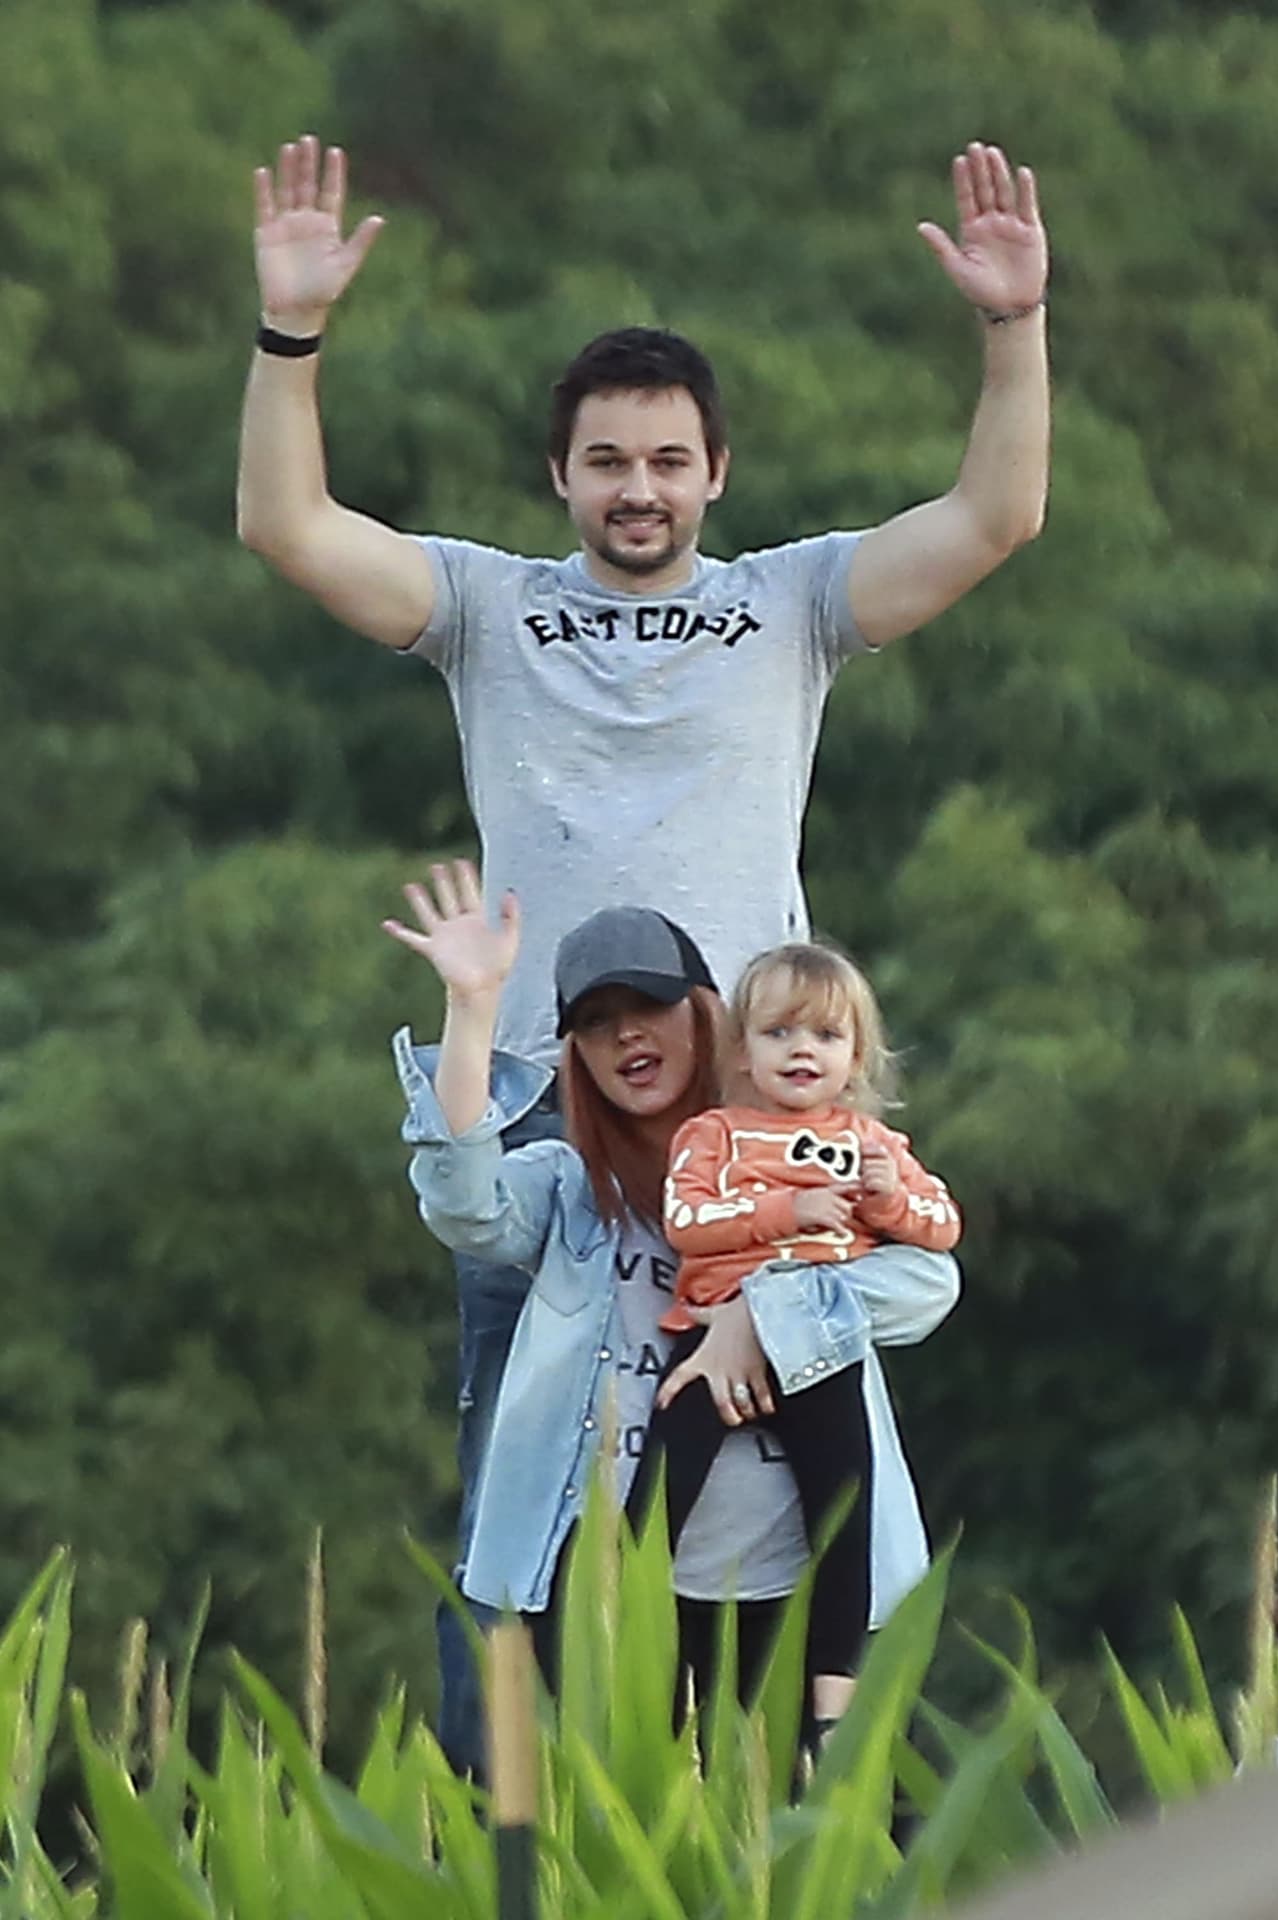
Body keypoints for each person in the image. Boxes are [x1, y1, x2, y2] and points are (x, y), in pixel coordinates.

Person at [239, 132, 1047, 1762]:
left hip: (752, 1117)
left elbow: (995, 516)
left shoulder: (789, 607)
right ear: (561, 475)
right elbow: (289, 527)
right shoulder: (486, 608)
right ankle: (507, 1825)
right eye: (607, 460)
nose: (638, 488)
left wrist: (1014, 326)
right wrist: (290, 332)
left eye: (668, 461)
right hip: (549, 1110)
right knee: (525, 1486)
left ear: (716, 473)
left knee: (800, 1468)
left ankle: (803, 1796)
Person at [384, 861, 960, 1753]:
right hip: (627, 1597)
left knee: (836, 1827)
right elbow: (466, 1203)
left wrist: (756, 1318)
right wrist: (472, 1006)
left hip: (805, 1587)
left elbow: (929, 1282)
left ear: (706, 1018)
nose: (627, 1036)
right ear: (577, 1054)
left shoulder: (806, 1153)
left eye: (649, 1007)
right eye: (597, 1022)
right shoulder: (570, 1187)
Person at [633, 941, 961, 1736]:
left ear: (856, 1058)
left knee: (843, 1506)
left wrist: (887, 1203)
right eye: (779, 1033)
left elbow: (942, 1228)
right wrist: (789, 1212)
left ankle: (832, 1700)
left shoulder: (874, 1144)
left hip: (816, 1350)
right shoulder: (713, 1136)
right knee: (657, 1496)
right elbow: (688, 1221)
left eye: (825, 1035)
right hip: (712, 1335)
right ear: (742, 1051)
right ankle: (634, 1663)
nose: (802, 1050)